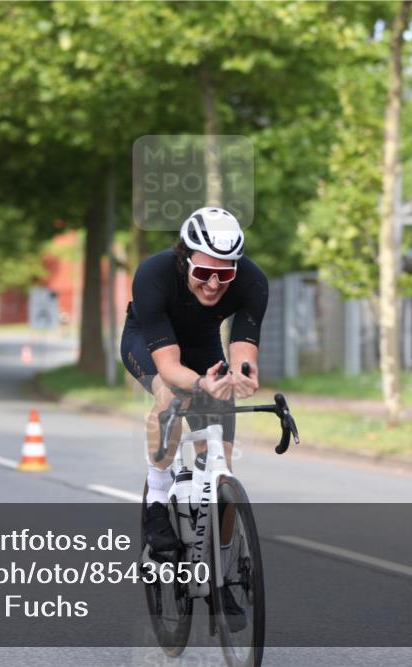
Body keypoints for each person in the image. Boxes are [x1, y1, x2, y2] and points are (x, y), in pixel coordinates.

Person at [121, 207, 268, 629]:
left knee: (221, 460)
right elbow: (169, 366)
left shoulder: (252, 281)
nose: (214, 284)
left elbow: (243, 348)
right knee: (169, 395)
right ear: (185, 258)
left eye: (225, 274)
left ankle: (221, 574)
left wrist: (242, 375)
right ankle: (157, 494)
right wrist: (201, 385)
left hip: (204, 348)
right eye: (204, 272)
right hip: (149, 344)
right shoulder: (153, 275)